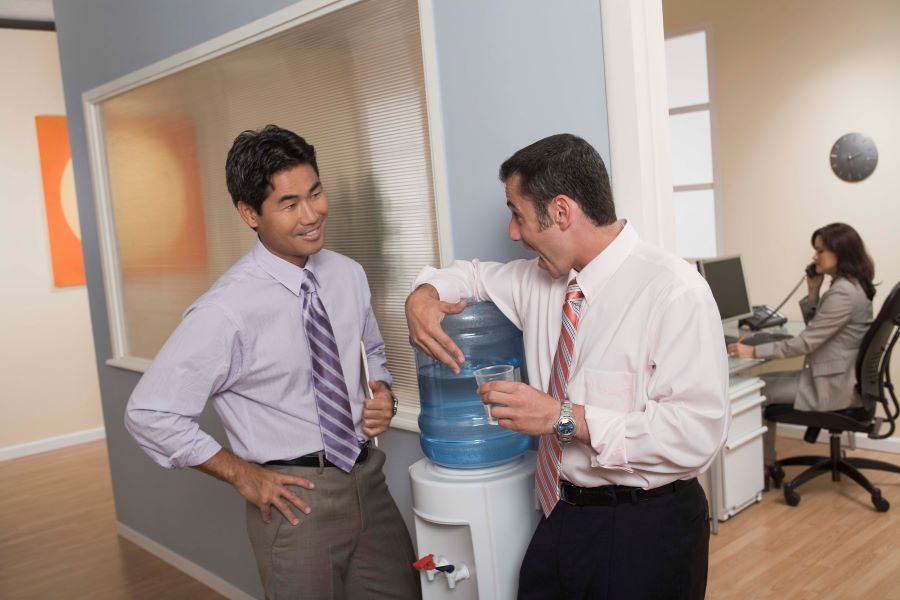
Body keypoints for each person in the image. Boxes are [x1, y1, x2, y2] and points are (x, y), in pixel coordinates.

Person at [405, 133, 729, 599]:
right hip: (562, 514)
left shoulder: (674, 292)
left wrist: (562, 418)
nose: (513, 233)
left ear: (561, 211)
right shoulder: (537, 280)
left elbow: (696, 433)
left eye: (517, 215)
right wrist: (424, 295)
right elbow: (470, 275)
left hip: (648, 525)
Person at [125, 125, 420, 600]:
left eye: (316, 192)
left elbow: (374, 355)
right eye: (289, 204)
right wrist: (243, 474)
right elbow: (150, 413)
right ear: (249, 214)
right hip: (294, 501)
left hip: (369, 481)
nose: (312, 214)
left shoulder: (348, 274)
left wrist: (382, 392)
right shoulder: (225, 311)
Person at [727, 222, 875, 473]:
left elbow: (807, 341)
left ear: (840, 252)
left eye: (820, 251)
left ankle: (765, 466)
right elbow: (819, 329)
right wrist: (813, 291)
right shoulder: (854, 285)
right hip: (840, 378)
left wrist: (753, 351)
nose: (814, 256)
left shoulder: (842, 293)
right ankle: (765, 463)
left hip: (831, 386)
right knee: (761, 381)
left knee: (756, 389)